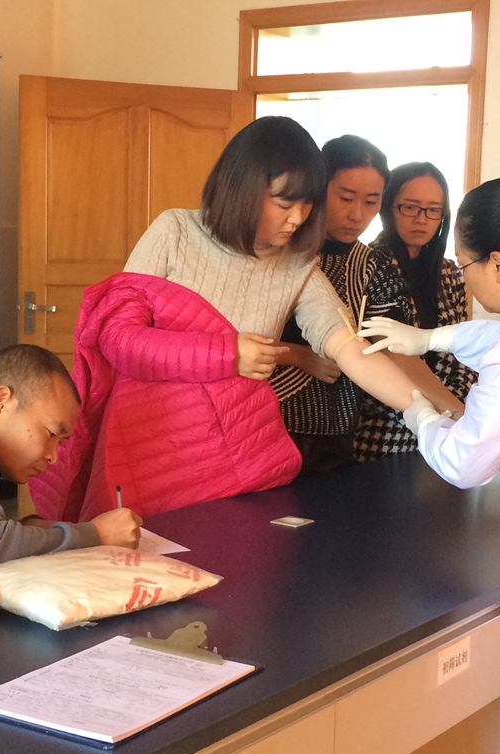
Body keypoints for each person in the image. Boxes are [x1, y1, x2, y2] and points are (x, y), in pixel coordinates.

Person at [30, 117, 421, 520]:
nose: (298, 218)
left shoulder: (297, 264)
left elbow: (349, 348)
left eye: (307, 204)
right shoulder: (175, 231)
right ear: (242, 187)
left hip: (233, 457)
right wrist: (229, 353)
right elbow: (118, 340)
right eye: (284, 203)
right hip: (148, 450)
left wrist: (423, 415)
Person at [358, 177, 500, 536]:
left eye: (466, 265)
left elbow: (464, 462)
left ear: (498, 265)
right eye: (410, 206)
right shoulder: (375, 262)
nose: (464, 278)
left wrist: (424, 418)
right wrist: (430, 339)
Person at [0, 344, 142, 574]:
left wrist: (30, 531)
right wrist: (96, 535)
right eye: (51, 434)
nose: (53, 457)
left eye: (60, 442)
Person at [270, 134, 407, 472]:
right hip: (270, 420)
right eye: (345, 198)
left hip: (340, 430)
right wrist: (299, 355)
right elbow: (231, 337)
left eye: (372, 202)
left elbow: (395, 350)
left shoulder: (372, 263)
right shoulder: (277, 253)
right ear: (318, 188)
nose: (357, 215)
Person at [354, 162, 476, 461]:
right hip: (389, 423)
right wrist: (458, 415)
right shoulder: (371, 263)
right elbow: (394, 353)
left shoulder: (449, 271)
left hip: (450, 417)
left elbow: (463, 346)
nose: (422, 219)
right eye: (410, 207)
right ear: (388, 207)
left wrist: (464, 409)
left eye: (433, 210)